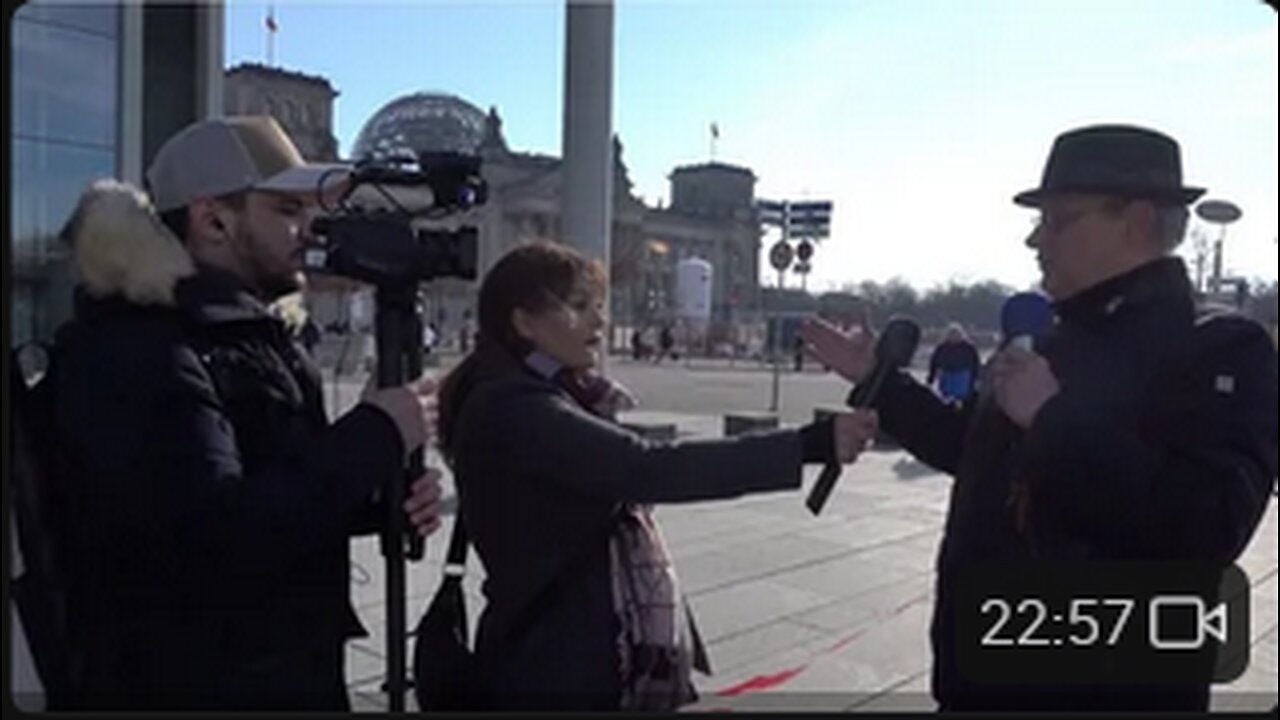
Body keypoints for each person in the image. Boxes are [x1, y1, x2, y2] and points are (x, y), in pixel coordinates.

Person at [800, 124, 1278, 712]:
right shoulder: (1047, 339)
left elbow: (1206, 527)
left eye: (1058, 220)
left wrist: (1053, 419)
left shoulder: (1218, 350)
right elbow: (970, 447)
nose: (1034, 239)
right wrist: (879, 380)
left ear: (1138, 221)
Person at [45, 116, 446, 710]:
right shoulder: (142, 349)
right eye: (286, 210)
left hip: (281, 667)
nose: (307, 231)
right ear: (213, 221)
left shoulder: (247, 335)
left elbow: (272, 485)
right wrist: (373, 434)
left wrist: (375, 493)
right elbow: (215, 538)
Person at [435, 243, 878, 711]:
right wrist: (808, 445)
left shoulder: (537, 392)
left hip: (564, 637)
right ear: (524, 322)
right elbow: (648, 467)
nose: (599, 321)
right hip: (555, 659)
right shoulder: (516, 407)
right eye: (579, 306)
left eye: (599, 305)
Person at [926, 322, 981, 404]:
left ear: (961, 335)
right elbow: (934, 363)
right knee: (946, 399)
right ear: (947, 335)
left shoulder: (968, 348)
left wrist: (976, 378)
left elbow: (975, 363)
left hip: (963, 376)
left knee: (963, 399)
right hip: (947, 376)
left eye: (956, 334)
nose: (954, 337)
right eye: (951, 334)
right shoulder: (942, 348)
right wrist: (931, 378)